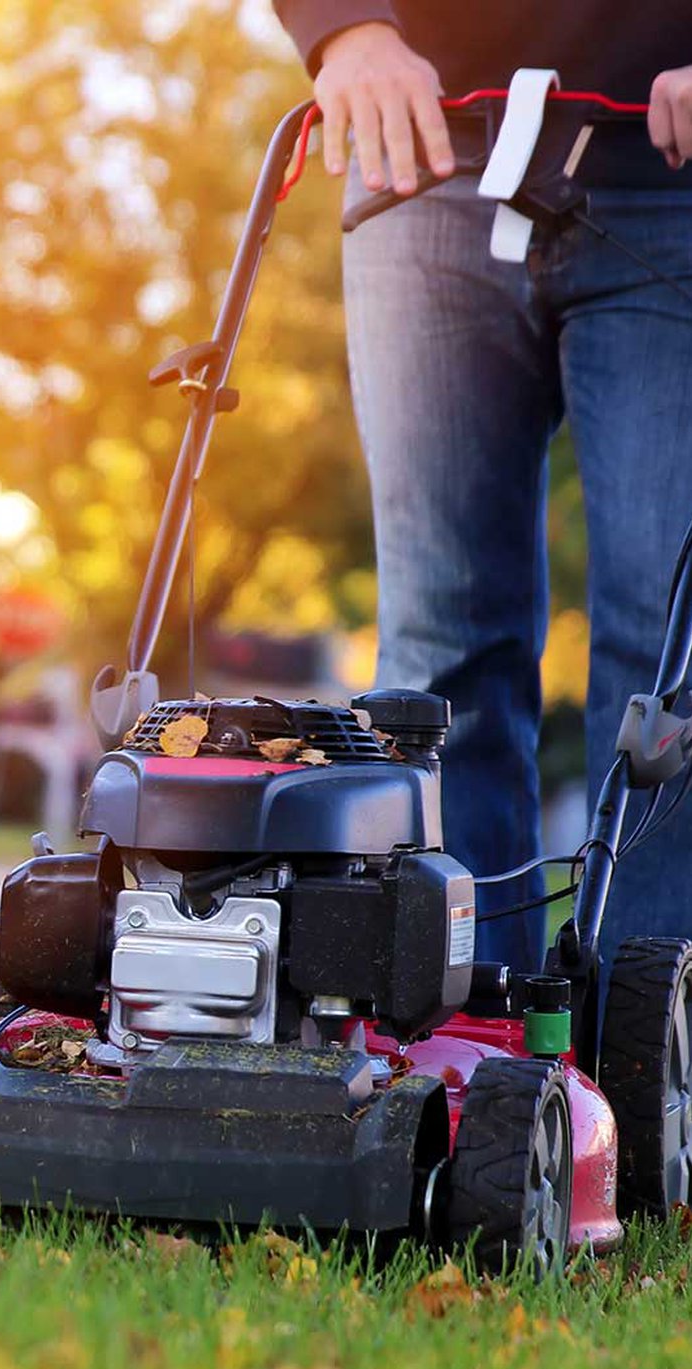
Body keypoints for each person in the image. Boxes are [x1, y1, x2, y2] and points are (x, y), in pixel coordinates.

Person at [272, 3, 692, 976]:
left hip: (671, 180)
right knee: (437, 659)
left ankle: (639, 1061)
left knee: (667, 664)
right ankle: (459, 1024)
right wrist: (345, 33)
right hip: (422, 157)